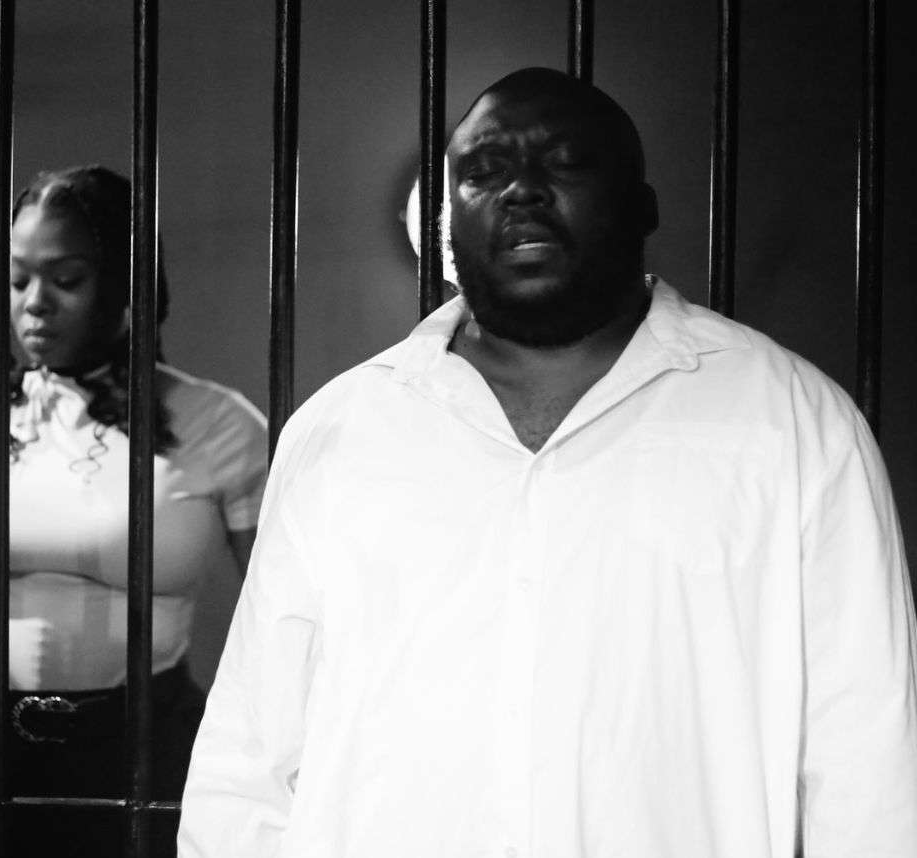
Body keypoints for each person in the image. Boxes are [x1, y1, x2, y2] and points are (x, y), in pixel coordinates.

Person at [178, 68, 917, 857]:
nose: (521, 189)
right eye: (484, 170)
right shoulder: (341, 431)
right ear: (445, 218)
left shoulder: (793, 424)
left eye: (565, 162)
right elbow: (252, 756)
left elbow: (867, 761)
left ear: (642, 205)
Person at [0, 165, 268, 857]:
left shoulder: (217, 424)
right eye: (18, 279)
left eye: (67, 279)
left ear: (126, 285)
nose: (35, 303)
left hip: (142, 755)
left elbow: (287, 614)